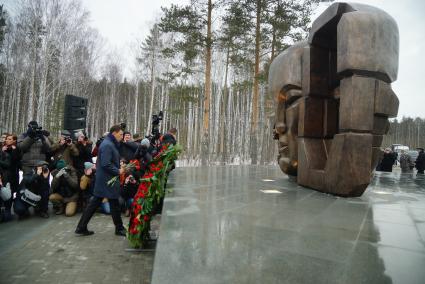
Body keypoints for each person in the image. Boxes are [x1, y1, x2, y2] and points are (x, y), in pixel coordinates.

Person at [75, 125, 127, 236]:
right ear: (114, 133)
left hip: (105, 180)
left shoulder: (109, 143)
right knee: (112, 204)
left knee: (99, 203)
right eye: (121, 134)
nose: (122, 137)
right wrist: (118, 171)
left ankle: (81, 227)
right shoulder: (108, 145)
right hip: (107, 180)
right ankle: (119, 228)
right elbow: (105, 164)